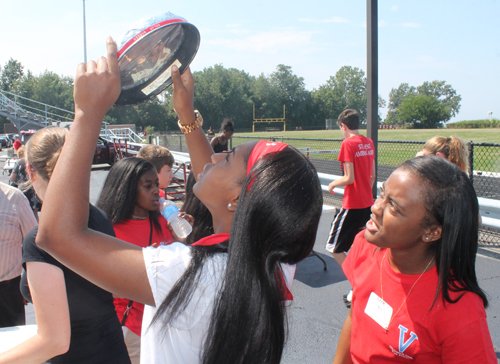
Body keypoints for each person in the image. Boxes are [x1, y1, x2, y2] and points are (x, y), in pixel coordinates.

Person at [35, 37, 322, 364]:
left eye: (227, 158)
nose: (213, 160)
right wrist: (186, 115)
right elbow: (213, 179)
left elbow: (57, 235)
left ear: (237, 202)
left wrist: (87, 114)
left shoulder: (187, 271)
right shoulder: (278, 258)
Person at [332, 156, 497, 364]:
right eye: (382, 193)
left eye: (393, 207)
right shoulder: (366, 248)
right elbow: (354, 316)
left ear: (432, 231)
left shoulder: (459, 310)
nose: (376, 207)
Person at [0, 127, 131, 364]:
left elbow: (55, 341)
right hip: (113, 352)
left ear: (30, 171)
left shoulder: (41, 239)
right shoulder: (97, 217)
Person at [96, 157, 175, 364]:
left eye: (156, 184)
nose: (156, 191)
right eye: (147, 186)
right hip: (131, 327)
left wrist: (182, 240)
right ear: (127, 189)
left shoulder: (165, 220)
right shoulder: (106, 229)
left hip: (166, 325)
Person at [325, 109, 375, 306]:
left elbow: (349, 178)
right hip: (367, 203)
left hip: (352, 204)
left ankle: (358, 284)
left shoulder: (347, 144)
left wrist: (332, 184)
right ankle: (363, 284)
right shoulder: (368, 142)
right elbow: (370, 177)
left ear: (343, 126)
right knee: (360, 246)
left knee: (333, 247)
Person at [0, 182, 37, 329]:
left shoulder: (15, 199)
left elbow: (35, 245)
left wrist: (28, 284)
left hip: (7, 293)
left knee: (11, 346)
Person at [9, 146, 42, 220]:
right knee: (34, 213)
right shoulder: (34, 161)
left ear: (20, 154)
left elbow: (12, 178)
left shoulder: (19, 162)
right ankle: (36, 229)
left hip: (23, 189)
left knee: (23, 213)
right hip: (34, 188)